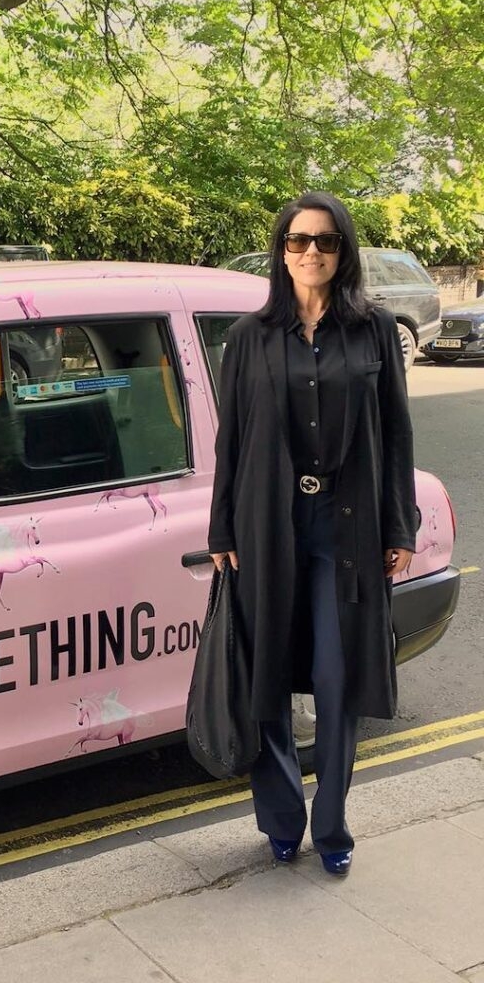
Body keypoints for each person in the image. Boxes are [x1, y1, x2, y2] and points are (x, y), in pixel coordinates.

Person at [208, 191, 417, 876]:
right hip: (267, 525)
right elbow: (231, 442)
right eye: (298, 241)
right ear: (281, 251)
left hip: (345, 528)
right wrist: (220, 530)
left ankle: (332, 828)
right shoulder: (248, 337)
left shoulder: (374, 331)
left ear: (343, 251)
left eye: (325, 242)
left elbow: (395, 433)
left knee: (336, 679)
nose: (311, 253)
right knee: (264, 675)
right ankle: (279, 818)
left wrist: (400, 524)